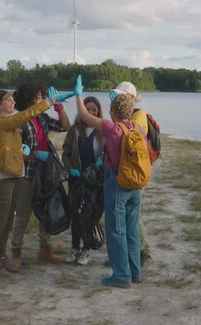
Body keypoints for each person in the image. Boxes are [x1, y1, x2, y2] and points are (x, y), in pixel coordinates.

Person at [75, 76, 141, 288]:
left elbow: (84, 116)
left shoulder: (112, 128)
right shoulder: (136, 127)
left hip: (118, 181)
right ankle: (134, 271)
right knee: (131, 228)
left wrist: (78, 94)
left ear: (113, 112)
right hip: (136, 183)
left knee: (116, 229)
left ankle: (121, 276)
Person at [0, 89, 59, 276]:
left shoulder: (10, 123)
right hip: (0, 179)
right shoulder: (2, 120)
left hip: (12, 176)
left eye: (12, 99)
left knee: (8, 222)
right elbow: (24, 116)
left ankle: (2, 258)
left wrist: (23, 151)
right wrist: (47, 103)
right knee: (1, 222)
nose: (12, 101)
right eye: (7, 100)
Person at [10, 79, 71, 270]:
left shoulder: (41, 118)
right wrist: (35, 154)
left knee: (46, 212)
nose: (42, 99)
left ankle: (45, 250)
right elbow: (18, 150)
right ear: (28, 98)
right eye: (38, 96)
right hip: (28, 175)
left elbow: (65, 126)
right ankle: (16, 253)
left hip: (47, 173)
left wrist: (59, 108)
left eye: (42, 96)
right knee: (23, 215)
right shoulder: (20, 120)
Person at [110, 81, 153, 267]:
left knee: (133, 215)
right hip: (128, 171)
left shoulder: (139, 116)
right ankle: (128, 255)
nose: (117, 99)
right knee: (128, 215)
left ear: (132, 98)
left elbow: (127, 135)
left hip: (135, 172)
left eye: (121, 96)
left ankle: (142, 251)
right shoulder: (130, 115)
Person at [62, 96, 106, 265]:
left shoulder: (102, 131)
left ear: (98, 112)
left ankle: (86, 250)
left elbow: (108, 153)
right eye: (88, 109)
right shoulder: (74, 131)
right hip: (76, 179)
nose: (91, 112)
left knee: (89, 215)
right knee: (75, 213)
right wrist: (69, 167)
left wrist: (99, 163)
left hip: (94, 181)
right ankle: (74, 248)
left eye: (94, 110)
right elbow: (65, 153)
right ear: (82, 110)